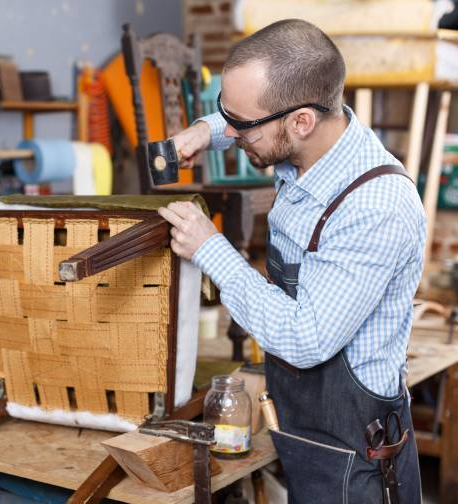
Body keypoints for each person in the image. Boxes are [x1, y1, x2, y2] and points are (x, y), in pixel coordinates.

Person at [158, 19, 424, 502]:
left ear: (301, 121)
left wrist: (210, 248)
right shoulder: (312, 138)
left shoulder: (374, 207)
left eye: (241, 124)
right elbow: (249, 116)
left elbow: (305, 340)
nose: (232, 131)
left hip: (354, 457)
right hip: (304, 427)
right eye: (226, 113)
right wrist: (203, 130)